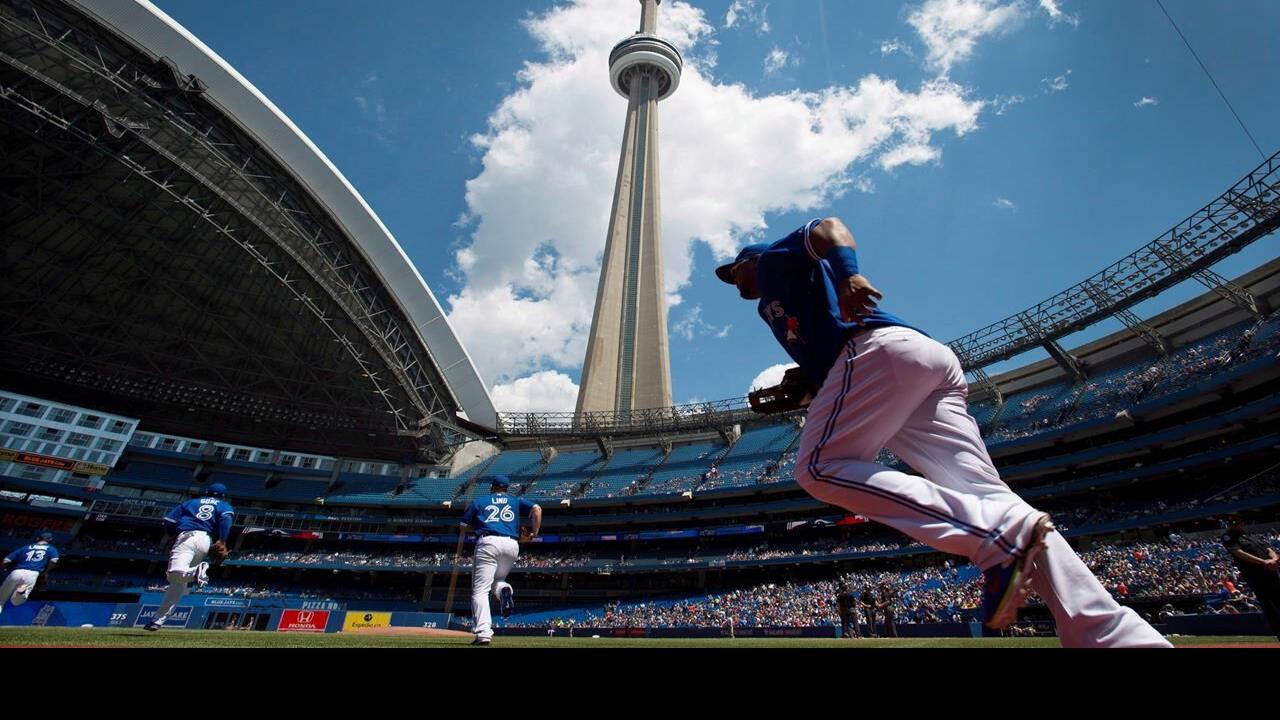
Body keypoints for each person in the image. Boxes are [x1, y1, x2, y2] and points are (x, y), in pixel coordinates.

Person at [717, 217, 1170, 648]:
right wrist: (809, 378)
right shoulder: (775, 305)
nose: (731, 278)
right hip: (920, 362)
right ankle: (1113, 634)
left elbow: (828, 228)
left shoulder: (774, 261)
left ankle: (995, 537)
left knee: (818, 467)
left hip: (879, 352)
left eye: (733, 269)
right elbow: (824, 342)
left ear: (749, 260)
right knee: (987, 494)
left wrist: (849, 276)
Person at [460, 475, 542, 646]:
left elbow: (462, 525)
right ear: (506, 488)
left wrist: (478, 525)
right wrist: (534, 534)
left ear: (492, 487)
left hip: (489, 542)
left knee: (480, 590)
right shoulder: (515, 500)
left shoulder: (480, 501)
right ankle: (505, 590)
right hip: (512, 544)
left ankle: (483, 633)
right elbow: (537, 509)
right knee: (497, 581)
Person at [146, 483, 234, 631]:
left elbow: (169, 521)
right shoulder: (224, 505)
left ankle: (196, 572)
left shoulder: (191, 502)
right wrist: (223, 540)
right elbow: (226, 520)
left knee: (174, 575)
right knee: (178, 584)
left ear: (206, 492)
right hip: (205, 540)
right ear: (224, 496)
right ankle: (158, 620)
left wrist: (172, 535)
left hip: (187, 537)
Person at [1220, 515, 1280, 640]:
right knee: (1270, 605)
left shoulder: (1251, 535)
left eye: (1235, 522)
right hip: (1256, 575)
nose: (1233, 524)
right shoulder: (1228, 537)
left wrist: (1274, 559)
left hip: (1271, 572)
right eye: (1230, 523)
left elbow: (1268, 548)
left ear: (1242, 523)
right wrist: (1264, 562)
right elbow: (1239, 553)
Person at [0, 530, 59, 614]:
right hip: (33, 574)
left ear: (38, 538)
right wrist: (46, 571)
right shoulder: (51, 549)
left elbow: (6, 560)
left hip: (17, 572)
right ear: (50, 540)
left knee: (1, 599)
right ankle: (21, 593)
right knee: (16, 602)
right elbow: (54, 560)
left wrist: (3, 568)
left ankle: (19, 593)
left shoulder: (25, 547)